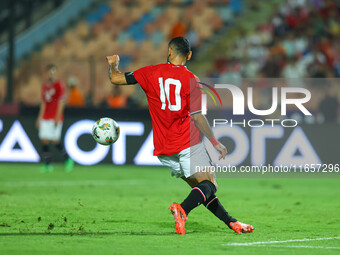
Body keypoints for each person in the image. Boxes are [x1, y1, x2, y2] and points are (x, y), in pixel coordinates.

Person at [106, 37, 254, 235]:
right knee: (210, 185)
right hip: (187, 142)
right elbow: (197, 117)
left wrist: (113, 65)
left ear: (169, 51)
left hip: (164, 150)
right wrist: (215, 142)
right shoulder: (191, 79)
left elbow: (115, 78)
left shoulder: (148, 72)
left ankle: (232, 222)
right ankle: (182, 210)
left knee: (201, 190)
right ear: (190, 55)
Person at [36, 64, 74, 172]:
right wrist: (39, 117)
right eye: (49, 72)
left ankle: (68, 159)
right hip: (45, 116)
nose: (51, 74)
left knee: (54, 140)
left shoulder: (59, 85)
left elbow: (61, 102)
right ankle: (48, 165)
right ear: (46, 73)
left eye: (53, 72)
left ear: (56, 73)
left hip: (54, 117)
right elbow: (43, 103)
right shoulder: (44, 86)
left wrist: (57, 117)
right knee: (44, 139)